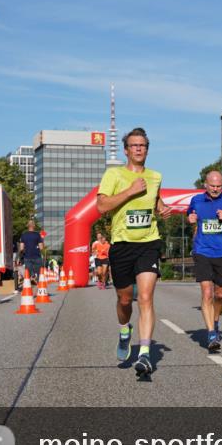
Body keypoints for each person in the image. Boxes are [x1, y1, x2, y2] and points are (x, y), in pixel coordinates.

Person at [96, 127, 173, 376]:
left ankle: (144, 354)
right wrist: (130, 191)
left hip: (149, 243)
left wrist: (162, 208)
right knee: (125, 299)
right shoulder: (114, 174)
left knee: (147, 298)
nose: (139, 149)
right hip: (122, 245)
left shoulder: (156, 176)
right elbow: (101, 205)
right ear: (126, 150)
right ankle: (124, 329)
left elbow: (155, 200)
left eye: (144, 145)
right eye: (135, 145)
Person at [188, 170, 222, 352]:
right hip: (202, 250)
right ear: (205, 184)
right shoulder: (196, 200)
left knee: (219, 294)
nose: (215, 189)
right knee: (207, 293)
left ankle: (216, 320)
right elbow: (190, 215)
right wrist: (191, 218)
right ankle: (211, 333)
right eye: (212, 186)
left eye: (219, 186)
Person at [18, 219, 45, 285]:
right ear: (34, 226)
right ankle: (40, 289)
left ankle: (27, 289)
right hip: (37, 257)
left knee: (28, 274)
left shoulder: (24, 235)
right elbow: (41, 247)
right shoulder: (37, 235)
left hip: (27, 257)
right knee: (40, 274)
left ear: (28, 226)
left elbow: (21, 248)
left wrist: (21, 255)